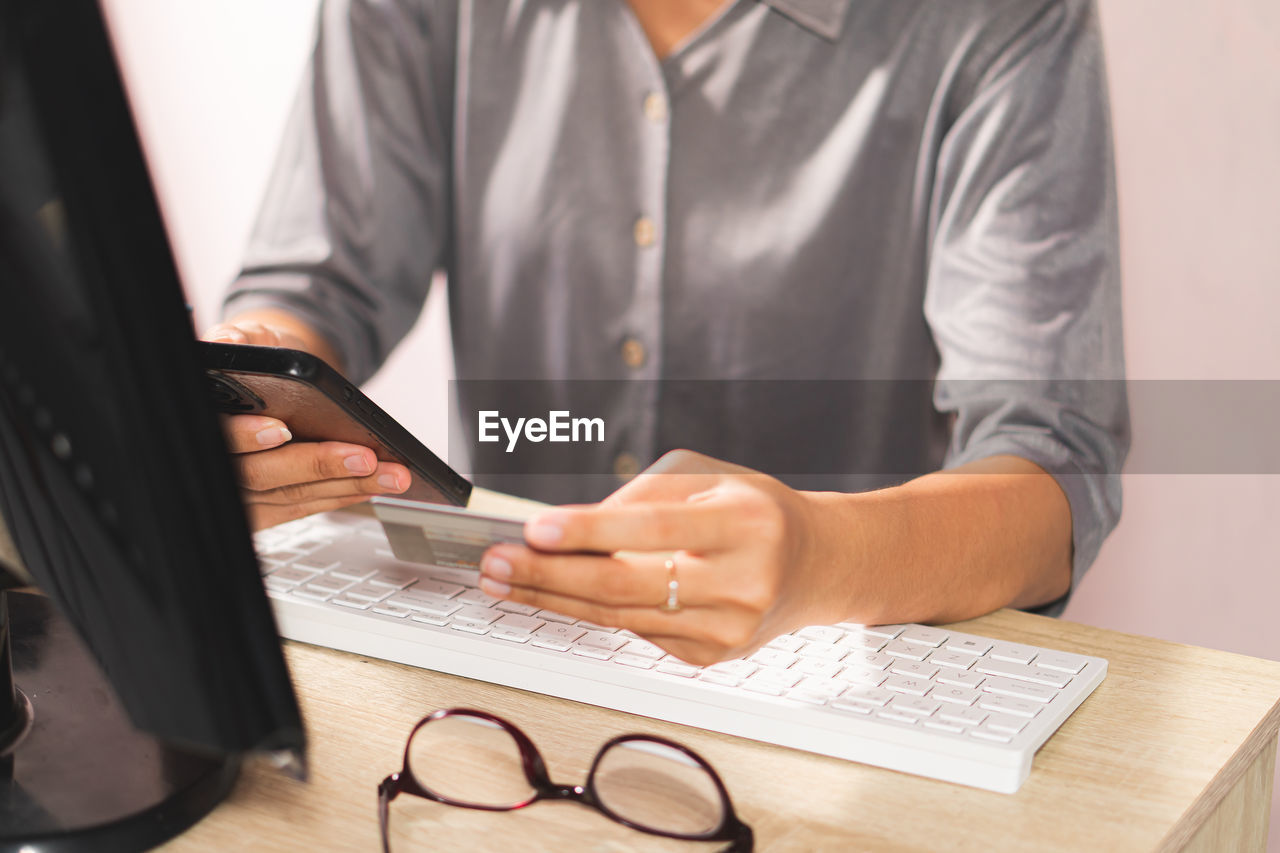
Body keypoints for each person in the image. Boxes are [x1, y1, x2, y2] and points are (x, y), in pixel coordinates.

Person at [208, 0, 1129, 666]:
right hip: (499, 637)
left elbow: (1054, 467)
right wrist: (237, 390)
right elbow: (315, 285)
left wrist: (820, 551)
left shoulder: (1006, 22)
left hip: (839, 670)